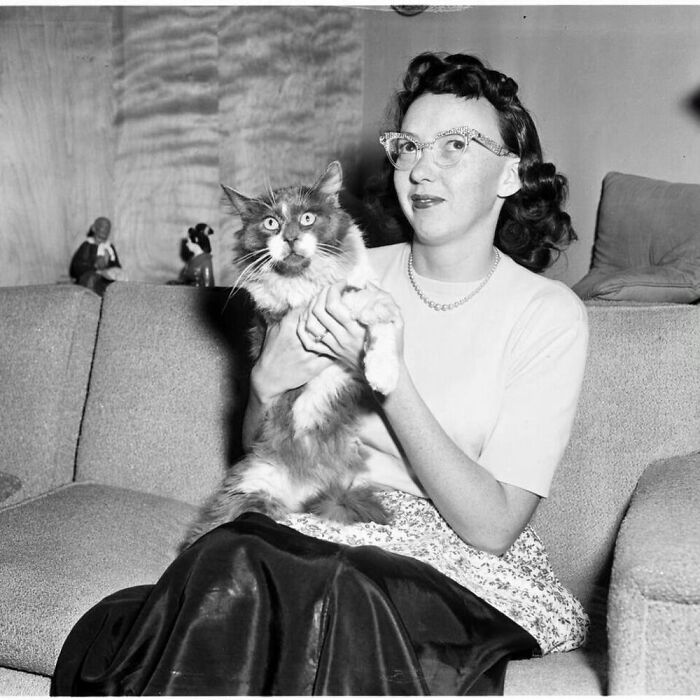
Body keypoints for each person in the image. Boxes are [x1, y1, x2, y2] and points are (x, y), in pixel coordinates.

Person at [51, 52, 588, 695]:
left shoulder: (548, 313)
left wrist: (390, 379)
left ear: (509, 173)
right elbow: (265, 447)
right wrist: (265, 383)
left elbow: (492, 527)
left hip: (451, 565)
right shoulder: (336, 268)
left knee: (312, 582)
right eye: (408, 146)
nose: (421, 168)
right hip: (316, 527)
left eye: (454, 145)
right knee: (236, 555)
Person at [69, 216, 126, 296]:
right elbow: (77, 267)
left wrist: (115, 271)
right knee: (91, 280)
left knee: (119, 281)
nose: (105, 230)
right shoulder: (87, 245)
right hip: (92, 275)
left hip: (107, 277)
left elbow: (115, 264)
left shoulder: (110, 247)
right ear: (94, 228)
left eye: (107, 228)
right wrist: (95, 266)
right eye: (102, 227)